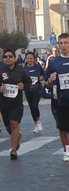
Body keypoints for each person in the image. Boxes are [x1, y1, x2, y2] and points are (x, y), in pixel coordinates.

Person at [0, 50, 31, 160]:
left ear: (15, 58)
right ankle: (16, 137)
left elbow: (28, 82)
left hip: (17, 103)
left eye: (10, 56)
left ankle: (13, 150)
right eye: (6, 56)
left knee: (14, 123)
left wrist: (23, 86)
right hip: (4, 103)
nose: (8, 58)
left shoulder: (21, 70)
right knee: (8, 126)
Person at [43, 32, 69, 162]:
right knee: (63, 127)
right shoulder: (54, 62)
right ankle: (67, 150)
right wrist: (50, 80)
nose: (63, 46)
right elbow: (47, 84)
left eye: (66, 43)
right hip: (61, 100)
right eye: (61, 43)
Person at [23, 51, 45, 133]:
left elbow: (43, 74)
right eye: (28, 58)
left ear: (34, 59)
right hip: (28, 90)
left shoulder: (38, 67)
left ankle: (38, 121)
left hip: (37, 89)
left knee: (34, 105)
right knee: (31, 107)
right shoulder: (24, 69)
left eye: (31, 58)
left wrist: (42, 77)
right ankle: (36, 124)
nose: (29, 60)